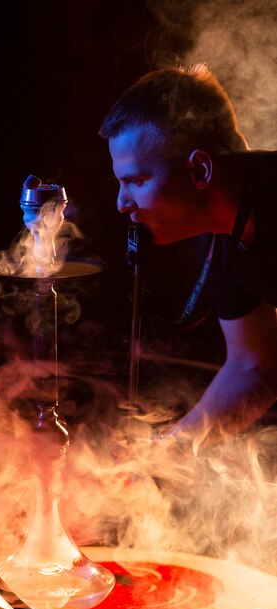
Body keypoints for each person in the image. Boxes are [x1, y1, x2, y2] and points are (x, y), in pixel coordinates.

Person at [98, 63, 277, 443]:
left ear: (199, 170)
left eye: (136, 181)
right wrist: (165, 453)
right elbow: (255, 366)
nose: (121, 203)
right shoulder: (218, 231)